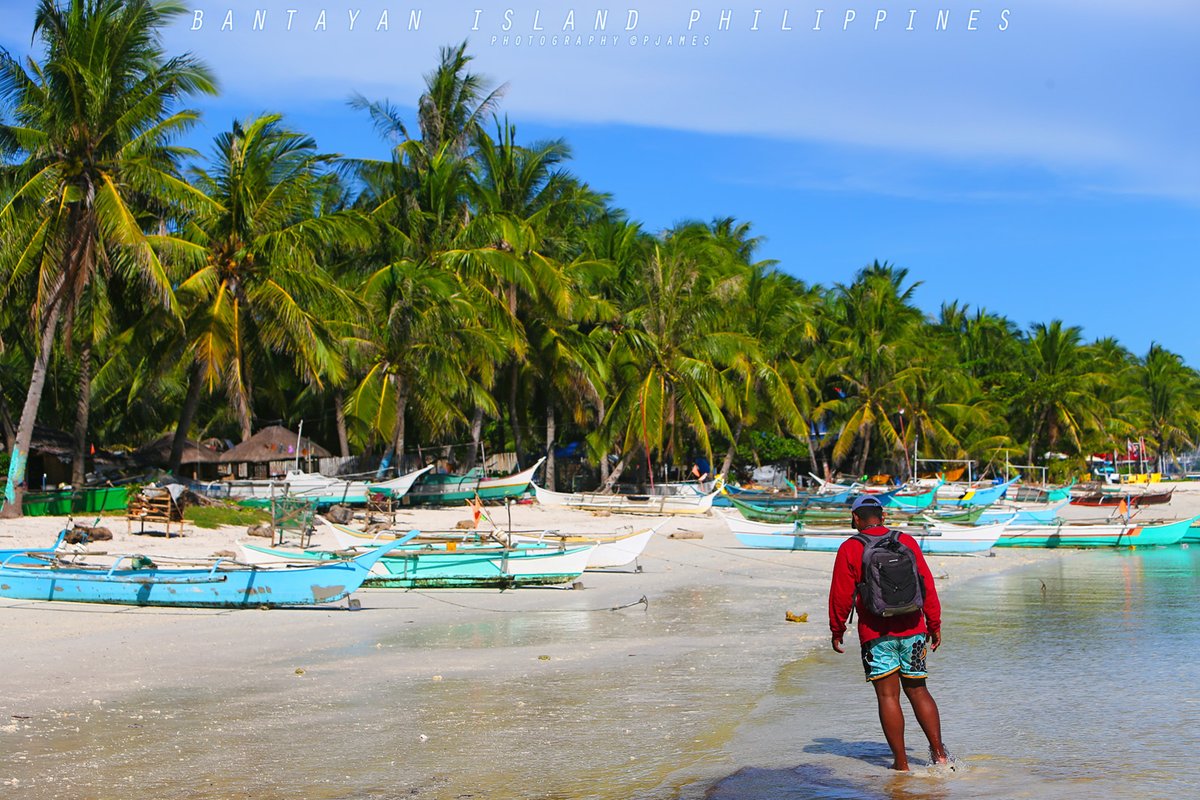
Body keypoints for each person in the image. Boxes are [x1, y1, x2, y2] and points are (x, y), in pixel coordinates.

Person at [828, 494, 950, 771]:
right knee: (919, 690)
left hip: (876, 633)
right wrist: (935, 624)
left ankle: (902, 764)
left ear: (856, 519)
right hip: (914, 630)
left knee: (888, 697)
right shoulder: (905, 541)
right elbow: (927, 584)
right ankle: (940, 755)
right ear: (882, 517)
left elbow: (840, 595)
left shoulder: (850, 548)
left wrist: (837, 629)